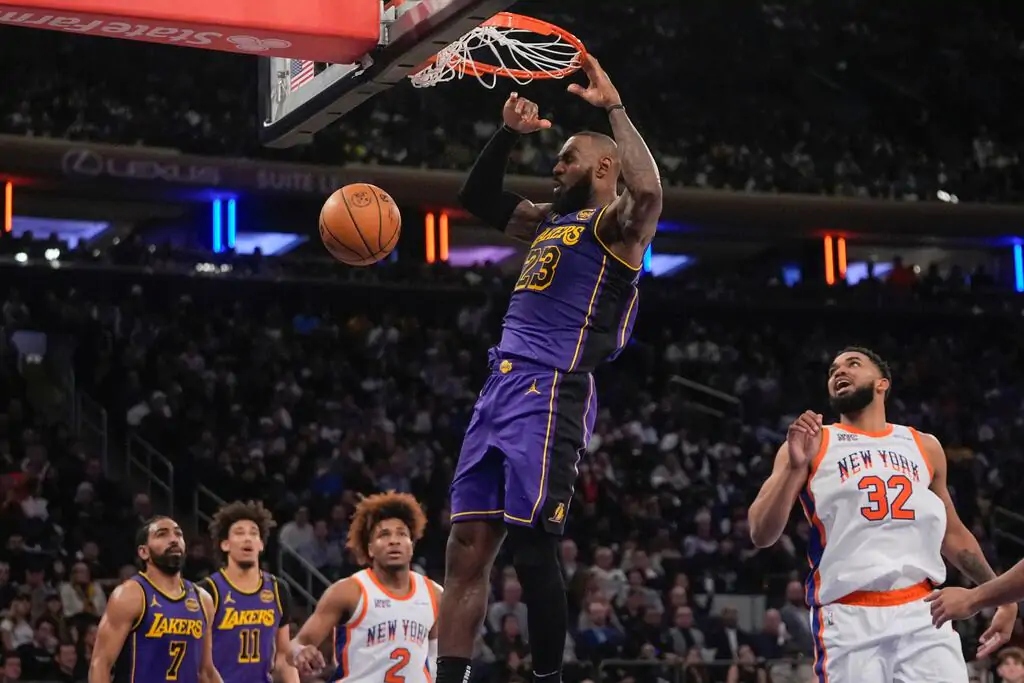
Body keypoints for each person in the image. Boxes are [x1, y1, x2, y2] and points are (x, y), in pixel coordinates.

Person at [440, 53, 663, 683]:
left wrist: (613, 107)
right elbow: (476, 197)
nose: (556, 167)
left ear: (603, 167)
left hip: (552, 387)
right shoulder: (548, 221)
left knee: (532, 547)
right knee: (466, 548)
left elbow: (649, 192)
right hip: (499, 386)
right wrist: (506, 134)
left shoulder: (616, 227)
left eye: (566, 158)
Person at [748, 347, 1018, 683]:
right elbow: (761, 533)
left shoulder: (924, 446)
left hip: (925, 611)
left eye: (853, 364)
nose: (839, 372)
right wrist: (794, 468)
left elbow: (952, 533)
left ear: (882, 383)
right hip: (849, 614)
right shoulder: (813, 442)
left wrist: (999, 596)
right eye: (833, 370)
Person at [287, 492, 441, 682]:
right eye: (384, 535)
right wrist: (300, 651)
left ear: (411, 545)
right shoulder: (348, 591)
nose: (394, 540)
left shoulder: (434, 594)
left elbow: (438, 658)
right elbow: (297, 643)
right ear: (370, 548)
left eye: (402, 534)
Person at [88, 516, 221, 683]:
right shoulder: (131, 594)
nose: (173, 539)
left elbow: (206, 671)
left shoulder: (203, 599)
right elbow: (100, 664)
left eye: (178, 534)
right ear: (144, 552)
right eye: (162, 534)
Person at [198, 501, 299, 683]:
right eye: (239, 533)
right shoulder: (208, 591)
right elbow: (198, 662)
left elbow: (283, 656)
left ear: (261, 545)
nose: (247, 538)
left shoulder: (278, 589)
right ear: (225, 545)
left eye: (253, 533)